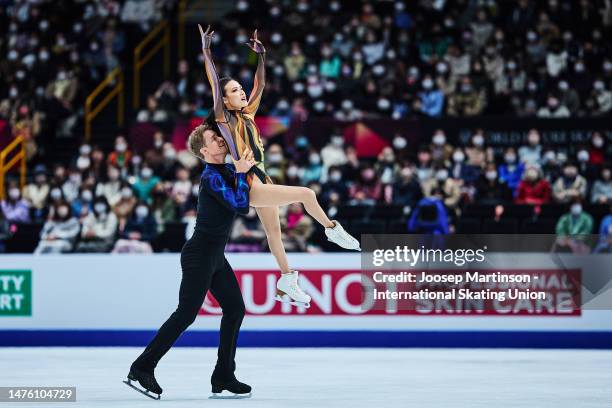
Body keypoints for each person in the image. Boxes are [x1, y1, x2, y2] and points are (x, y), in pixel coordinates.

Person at [198, 24, 360, 305]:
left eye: (240, 89)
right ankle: (332, 229)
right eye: (235, 90)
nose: (241, 92)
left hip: (262, 177)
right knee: (307, 194)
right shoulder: (225, 121)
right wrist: (207, 50)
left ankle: (286, 282)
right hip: (248, 180)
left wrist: (262, 56)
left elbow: (259, 84)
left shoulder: (247, 115)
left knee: (275, 232)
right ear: (224, 100)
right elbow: (215, 84)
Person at [126, 126, 255, 399]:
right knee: (186, 314)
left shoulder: (227, 171)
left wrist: (245, 163)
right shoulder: (211, 177)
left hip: (215, 256)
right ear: (204, 151)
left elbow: (248, 183)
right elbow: (241, 204)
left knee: (235, 309)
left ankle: (223, 374)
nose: (220, 139)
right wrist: (242, 171)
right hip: (199, 254)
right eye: (213, 139)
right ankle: (142, 366)